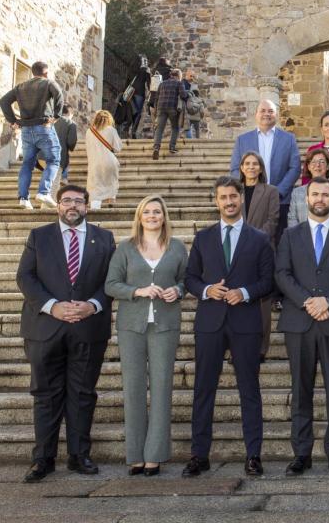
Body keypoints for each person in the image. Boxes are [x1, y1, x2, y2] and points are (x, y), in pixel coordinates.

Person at [17, 184, 116, 482]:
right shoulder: (39, 236)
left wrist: (94, 305)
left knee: (83, 393)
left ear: (87, 206)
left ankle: (79, 455)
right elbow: (25, 276)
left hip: (88, 328)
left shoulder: (105, 238)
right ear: (58, 205)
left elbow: (113, 280)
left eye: (78, 201)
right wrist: (52, 306)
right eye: (66, 200)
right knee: (45, 395)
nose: (72, 205)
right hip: (45, 328)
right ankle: (43, 459)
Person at [182, 176, 275, 478]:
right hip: (210, 322)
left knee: (249, 390)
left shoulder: (259, 238)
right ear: (216, 201)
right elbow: (190, 279)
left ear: (240, 199)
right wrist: (208, 290)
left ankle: (253, 455)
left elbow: (268, 280)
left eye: (233, 196)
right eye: (223, 197)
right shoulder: (203, 237)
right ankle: (199, 454)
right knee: (203, 390)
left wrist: (245, 292)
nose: (229, 202)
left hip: (246, 322)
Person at [275, 177, 329, 477]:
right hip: (299, 322)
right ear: (305, 198)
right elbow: (282, 274)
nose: (321, 199)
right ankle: (302, 453)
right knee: (301, 391)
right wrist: (308, 301)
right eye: (315, 194)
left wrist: (327, 300)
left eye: (326, 194)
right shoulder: (290, 235)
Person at [104, 195, 188, 476]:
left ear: (164, 217)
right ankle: (135, 455)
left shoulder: (177, 247)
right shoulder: (126, 248)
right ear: (139, 217)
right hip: (131, 325)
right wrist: (137, 291)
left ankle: (155, 455)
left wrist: (177, 290)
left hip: (164, 325)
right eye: (147, 212)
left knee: (162, 387)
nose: (152, 216)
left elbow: (186, 280)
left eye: (157, 212)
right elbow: (110, 284)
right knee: (134, 389)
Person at [229, 99, 301, 239]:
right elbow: (234, 169)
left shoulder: (289, 139)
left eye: (270, 111)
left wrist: (277, 192)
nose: (266, 114)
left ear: (277, 115)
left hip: (281, 199)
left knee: (279, 243)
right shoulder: (242, 140)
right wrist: (245, 191)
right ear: (255, 114)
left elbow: (295, 168)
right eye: (262, 110)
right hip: (250, 199)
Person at [0, 60, 63, 209]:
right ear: (45, 73)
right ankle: (43, 192)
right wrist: (56, 116)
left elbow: (4, 101)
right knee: (54, 159)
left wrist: (13, 121)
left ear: (33, 72)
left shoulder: (20, 86)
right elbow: (59, 94)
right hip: (44, 127)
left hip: (26, 130)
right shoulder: (48, 83)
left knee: (27, 164)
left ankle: (23, 198)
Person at [238, 151, 281, 361]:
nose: (251, 167)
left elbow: (273, 221)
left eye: (255, 164)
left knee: (263, 304)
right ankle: (237, 347)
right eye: (247, 164)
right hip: (236, 252)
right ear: (241, 167)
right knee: (237, 300)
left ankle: (261, 349)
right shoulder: (234, 191)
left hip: (262, 250)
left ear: (261, 168)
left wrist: (253, 241)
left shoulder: (271, 191)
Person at [289, 148, 329, 226]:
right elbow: (292, 219)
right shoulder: (297, 192)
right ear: (308, 167)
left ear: (328, 166)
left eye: (322, 162)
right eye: (313, 162)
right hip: (303, 236)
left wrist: (327, 234)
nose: (317, 165)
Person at [86, 109, 122, 210]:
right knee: (111, 184)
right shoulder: (111, 130)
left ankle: (95, 210)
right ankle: (111, 207)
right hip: (110, 161)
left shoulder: (89, 131)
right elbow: (118, 148)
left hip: (95, 163)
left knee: (95, 188)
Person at [35, 104, 77, 188]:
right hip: (56, 157)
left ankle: (44, 196)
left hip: (41, 156)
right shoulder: (71, 123)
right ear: (70, 113)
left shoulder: (50, 120)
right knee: (54, 185)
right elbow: (71, 142)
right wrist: (70, 148)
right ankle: (49, 197)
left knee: (48, 181)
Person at [152, 68, 187, 160]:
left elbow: (156, 98)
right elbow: (183, 95)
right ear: (178, 76)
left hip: (161, 108)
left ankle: (156, 148)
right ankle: (172, 147)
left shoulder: (162, 83)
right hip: (172, 108)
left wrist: (156, 110)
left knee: (159, 129)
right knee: (175, 127)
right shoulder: (179, 83)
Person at [128, 56, 152, 139]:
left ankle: (130, 128)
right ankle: (133, 131)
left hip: (130, 93)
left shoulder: (132, 69)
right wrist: (150, 91)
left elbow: (128, 80)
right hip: (139, 93)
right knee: (138, 112)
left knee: (132, 111)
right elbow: (149, 82)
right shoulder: (145, 70)